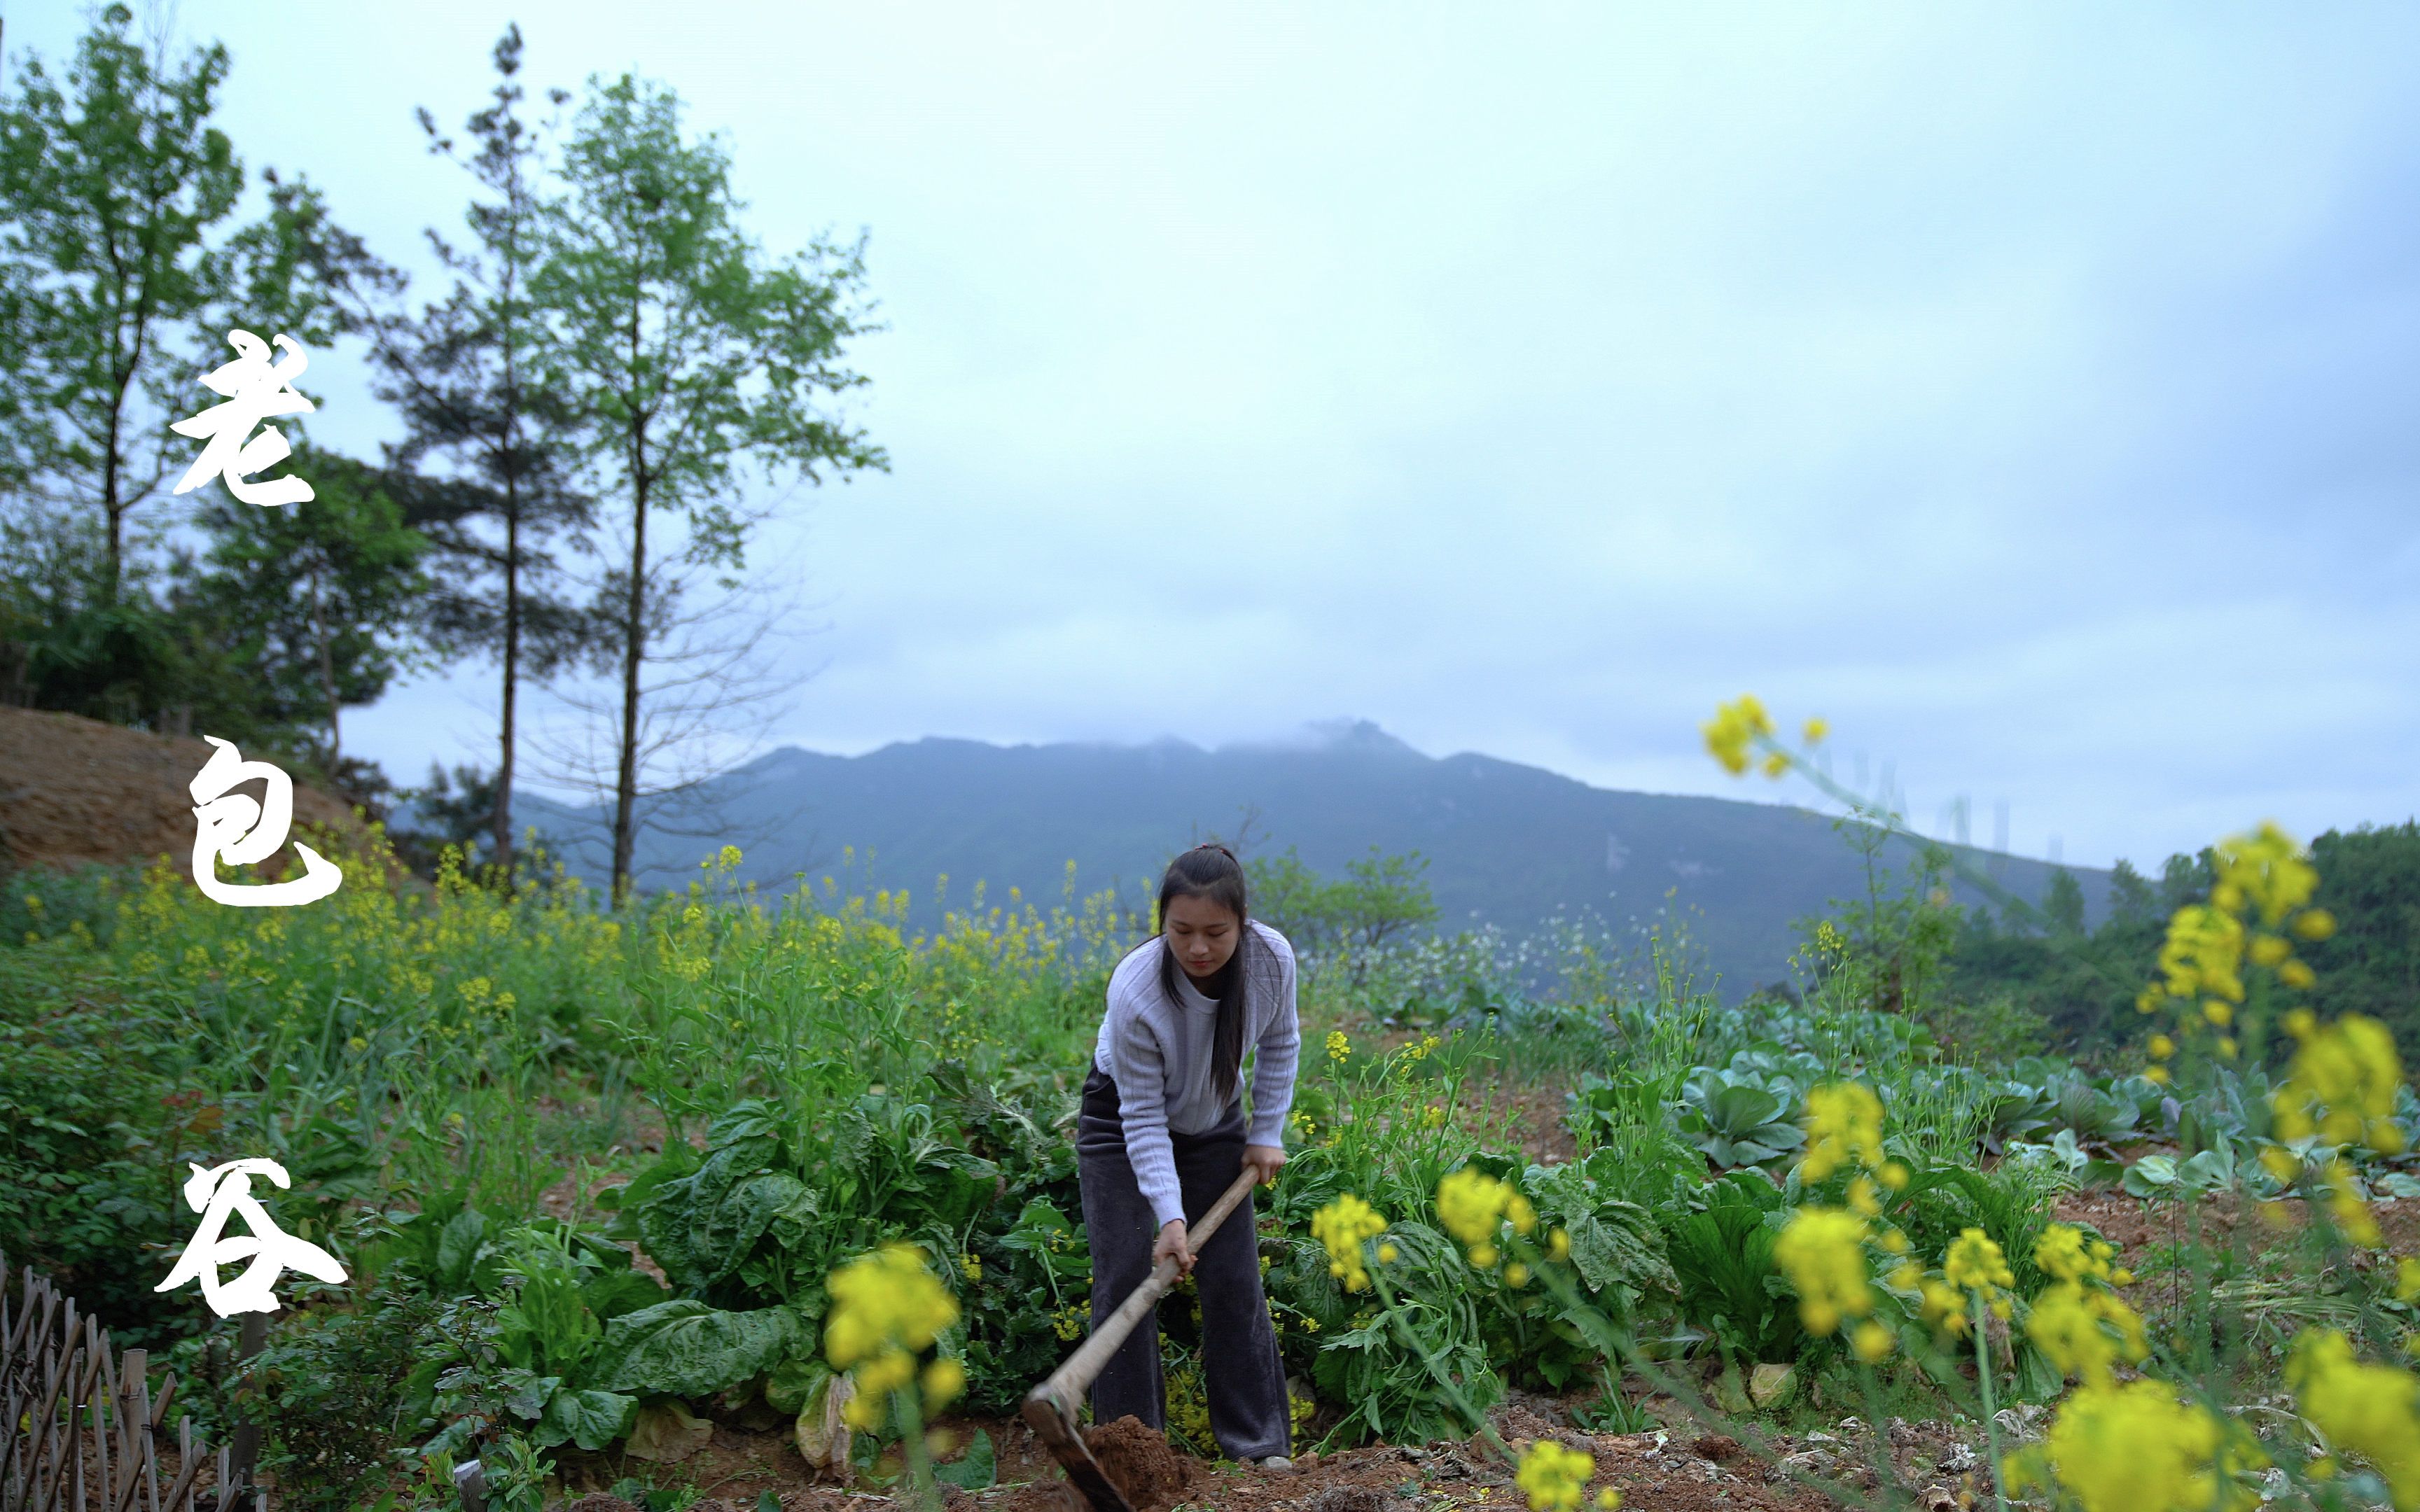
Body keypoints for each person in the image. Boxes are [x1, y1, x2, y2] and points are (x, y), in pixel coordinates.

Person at [1078, 841, 1301, 1469]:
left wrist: (1266, 1133)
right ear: (1162, 925)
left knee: (1232, 1276)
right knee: (1125, 1275)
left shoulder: (1271, 960)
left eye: (1215, 932)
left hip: (1216, 1123)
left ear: (1243, 923)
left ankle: (1258, 1447)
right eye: (1181, 932)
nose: (1198, 948)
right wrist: (1170, 1218)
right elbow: (1143, 1119)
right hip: (1120, 1122)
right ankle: (1132, 1451)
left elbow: (1281, 1043)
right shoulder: (1137, 991)